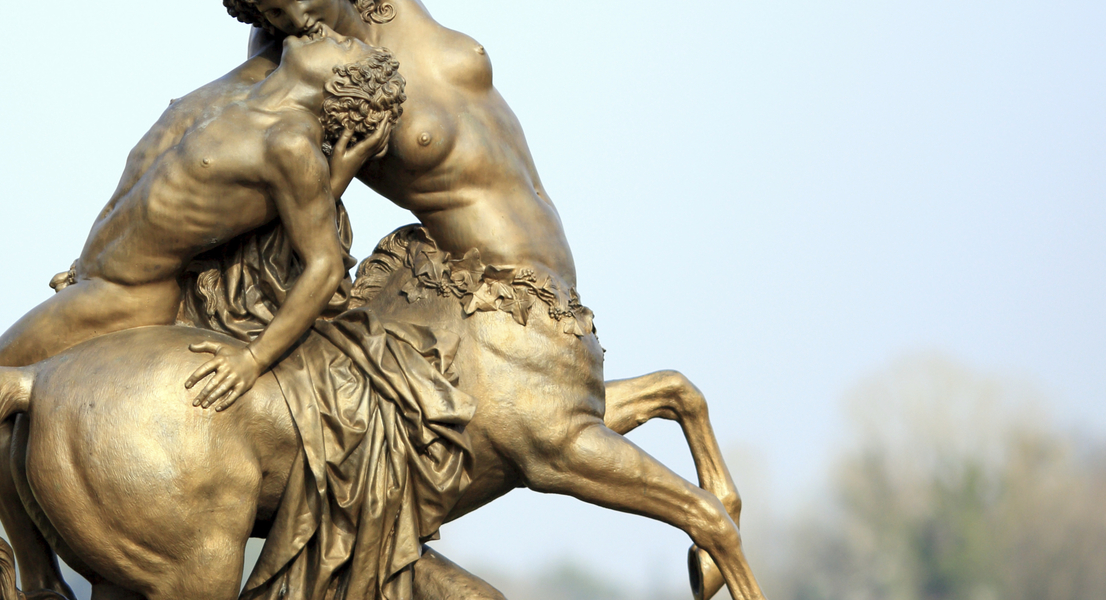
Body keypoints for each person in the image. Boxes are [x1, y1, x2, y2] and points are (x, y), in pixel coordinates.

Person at [222, 2, 766, 599]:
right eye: (272, 7)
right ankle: (723, 535)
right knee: (571, 446)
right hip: (490, 299)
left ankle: (719, 492)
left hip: (546, 288)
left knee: (665, 397)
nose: (291, 11)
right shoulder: (292, 61)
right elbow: (288, 183)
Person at [0, 30, 408, 598]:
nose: (335, 32)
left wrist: (254, 359)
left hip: (123, 292)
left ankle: (37, 581)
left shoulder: (290, 144)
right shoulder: (248, 103)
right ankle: (43, 575)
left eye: (349, 47)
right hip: (96, 278)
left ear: (339, 83)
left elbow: (324, 266)